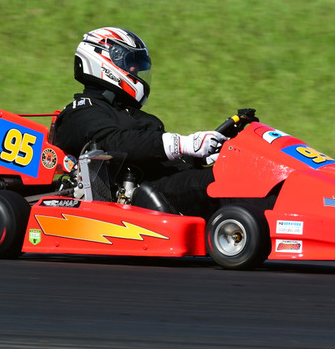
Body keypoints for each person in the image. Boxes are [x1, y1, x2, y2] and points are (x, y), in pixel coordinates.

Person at [52, 27, 227, 219]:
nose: (135, 69)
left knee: (240, 172)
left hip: (166, 182)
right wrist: (181, 144)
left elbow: (155, 156)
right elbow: (117, 143)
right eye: (130, 63)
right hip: (145, 193)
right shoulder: (81, 111)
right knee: (227, 183)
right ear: (103, 59)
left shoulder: (129, 114)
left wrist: (201, 156)